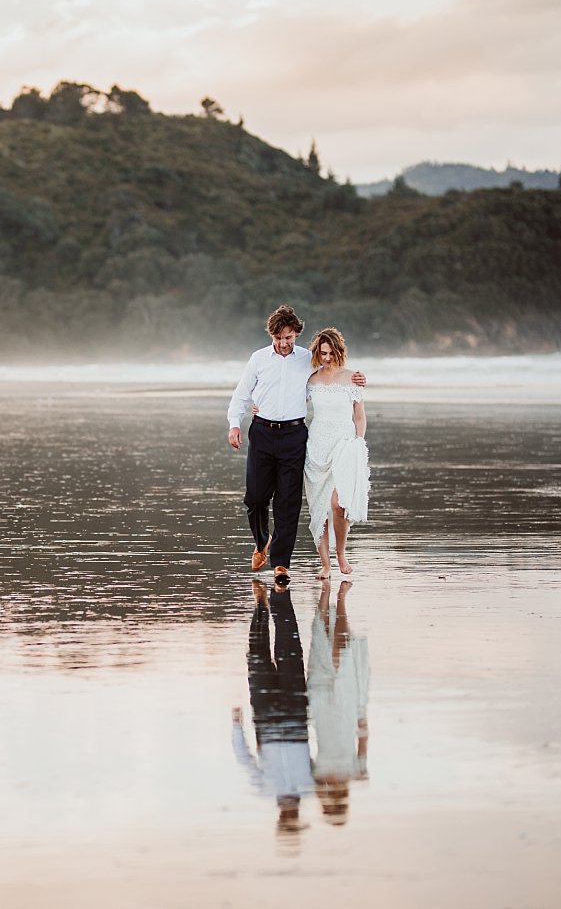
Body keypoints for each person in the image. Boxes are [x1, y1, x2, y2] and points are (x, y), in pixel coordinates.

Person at [227, 306, 363, 583]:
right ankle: (261, 539)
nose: (283, 343)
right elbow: (241, 395)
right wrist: (234, 424)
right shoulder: (258, 359)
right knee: (255, 497)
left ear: (296, 335)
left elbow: (333, 373)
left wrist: (359, 380)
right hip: (262, 432)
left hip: (294, 436)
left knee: (288, 502)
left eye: (288, 337)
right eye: (278, 337)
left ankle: (281, 564)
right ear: (272, 335)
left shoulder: (307, 359)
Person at [231, 579, 312, 844]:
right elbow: (244, 758)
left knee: (260, 656)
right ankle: (276, 599)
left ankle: (263, 605)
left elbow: (244, 759)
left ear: (281, 818)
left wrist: (236, 726)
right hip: (289, 718)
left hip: (275, 720)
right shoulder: (308, 788)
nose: (290, 814)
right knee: (283, 652)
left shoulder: (269, 790)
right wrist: (236, 727)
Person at [303, 328, 369, 578]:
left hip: (344, 445)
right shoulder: (310, 381)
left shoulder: (353, 378)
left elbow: (360, 417)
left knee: (338, 504)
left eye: (331, 353)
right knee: (319, 507)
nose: (327, 358)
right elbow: (290, 403)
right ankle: (326, 564)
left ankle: (341, 554)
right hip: (317, 446)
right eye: (322, 354)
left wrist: (357, 444)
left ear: (339, 352)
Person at [306, 579, 369, 826]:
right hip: (345, 711)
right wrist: (362, 715)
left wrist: (321, 790)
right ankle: (341, 600)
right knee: (341, 654)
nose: (331, 797)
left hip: (321, 711)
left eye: (330, 803)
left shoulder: (316, 776)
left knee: (322, 652)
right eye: (337, 802)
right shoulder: (356, 772)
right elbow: (363, 741)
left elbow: (304, 752)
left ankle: (324, 600)